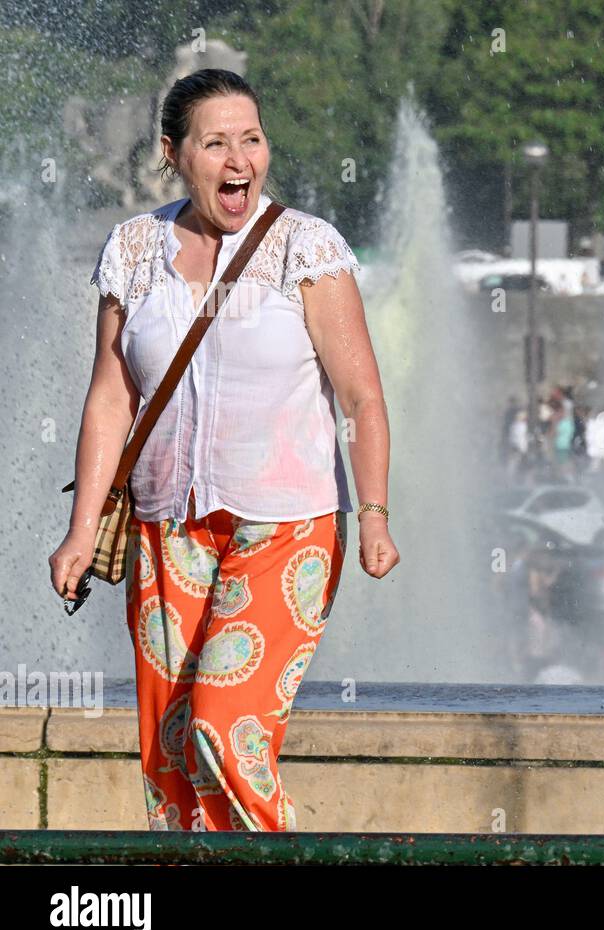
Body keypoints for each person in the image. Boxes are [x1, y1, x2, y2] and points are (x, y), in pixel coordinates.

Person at [47, 69, 400, 832]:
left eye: (252, 138)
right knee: (170, 755)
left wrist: (372, 513)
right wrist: (80, 532)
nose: (240, 159)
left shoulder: (306, 249)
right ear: (173, 153)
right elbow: (111, 397)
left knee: (222, 723)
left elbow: (364, 397)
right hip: (165, 527)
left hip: (287, 524)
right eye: (216, 143)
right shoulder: (134, 250)